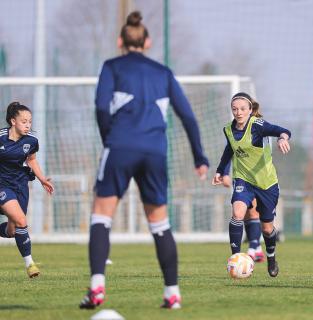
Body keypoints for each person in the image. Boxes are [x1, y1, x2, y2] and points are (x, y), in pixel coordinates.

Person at [79, 11, 209, 310]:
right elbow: (187, 115)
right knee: (159, 222)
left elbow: (100, 107)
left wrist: (108, 137)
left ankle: (97, 287)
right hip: (155, 151)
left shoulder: (112, 66)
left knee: (101, 215)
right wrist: (199, 157)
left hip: (120, 146)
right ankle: (172, 293)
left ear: (119, 41)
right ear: (147, 42)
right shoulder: (163, 72)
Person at [212, 92, 291, 277]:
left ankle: (271, 258)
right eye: (234, 109)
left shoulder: (258, 126)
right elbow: (229, 150)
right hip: (243, 180)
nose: (238, 112)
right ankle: (235, 258)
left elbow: (282, 130)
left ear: (250, 110)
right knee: (237, 213)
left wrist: (282, 138)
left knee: (267, 228)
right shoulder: (228, 129)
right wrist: (221, 171)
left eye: (242, 109)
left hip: (266, 183)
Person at [0, 102, 54, 278]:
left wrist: (42, 179)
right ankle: (30, 264)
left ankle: (11, 231)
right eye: (24, 121)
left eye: (29, 121)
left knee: (13, 230)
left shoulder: (31, 140)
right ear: (12, 121)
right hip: (2, 185)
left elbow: (31, 160)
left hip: (21, 185)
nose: (28, 125)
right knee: (22, 220)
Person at [220, 171, 265, 262]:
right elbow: (228, 156)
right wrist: (225, 173)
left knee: (253, 212)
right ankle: (257, 248)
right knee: (244, 214)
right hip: (240, 175)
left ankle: (252, 250)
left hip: (257, 175)